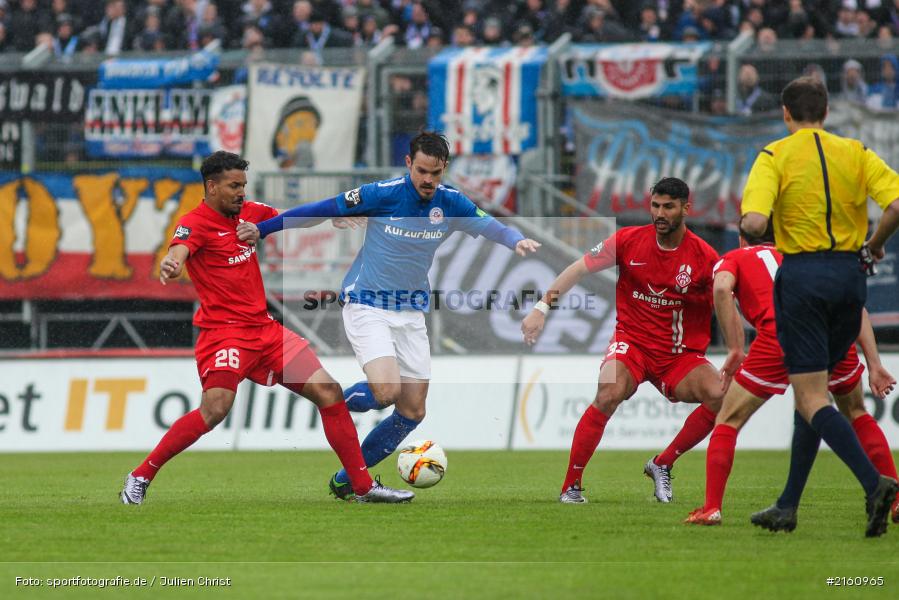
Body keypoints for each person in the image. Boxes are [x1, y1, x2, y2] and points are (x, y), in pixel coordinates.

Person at [236, 131, 541, 500]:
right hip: (367, 305)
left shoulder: (451, 202)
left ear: (445, 169)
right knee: (386, 391)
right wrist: (264, 229)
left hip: (411, 313)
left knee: (412, 410)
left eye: (436, 173)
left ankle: (346, 479)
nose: (428, 180)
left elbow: (488, 223)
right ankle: (331, 403)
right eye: (423, 171)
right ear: (409, 163)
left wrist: (515, 240)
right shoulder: (381, 194)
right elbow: (321, 209)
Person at [120, 151, 414, 506]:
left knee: (329, 393)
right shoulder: (194, 223)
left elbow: (290, 219)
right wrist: (171, 263)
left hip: (266, 332)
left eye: (243, 185)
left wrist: (336, 216)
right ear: (211, 187)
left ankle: (363, 487)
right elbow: (179, 250)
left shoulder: (249, 212)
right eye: (234, 186)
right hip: (224, 334)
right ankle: (140, 476)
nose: (241, 192)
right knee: (214, 410)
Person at [740, 75, 899, 537]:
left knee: (810, 395)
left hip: (804, 277)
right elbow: (895, 205)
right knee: (812, 393)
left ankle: (875, 485)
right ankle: (787, 505)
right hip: (851, 276)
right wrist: (872, 247)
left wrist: (752, 224)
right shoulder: (856, 152)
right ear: (826, 112)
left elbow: (754, 221)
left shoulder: (775, 154)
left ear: (785, 114)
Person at [521, 178, 724, 504]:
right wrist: (542, 307)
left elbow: (726, 300)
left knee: (718, 395)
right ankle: (571, 487)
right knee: (608, 391)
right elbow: (577, 269)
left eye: (668, 207)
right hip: (633, 344)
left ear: (686, 208)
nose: (660, 213)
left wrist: (742, 344)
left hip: (679, 356)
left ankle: (663, 463)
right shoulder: (629, 240)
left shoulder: (705, 257)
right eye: (655, 205)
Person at [685, 224, 899, 527]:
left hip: (779, 336)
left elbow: (721, 288)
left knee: (728, 419)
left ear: (744, 237)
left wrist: (734, 348)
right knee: (853, 411)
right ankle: (895, 500)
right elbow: (856, 308)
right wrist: (874, 364)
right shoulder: (804, 255)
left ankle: (711, 508)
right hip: (830, 332)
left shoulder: (734, 256)